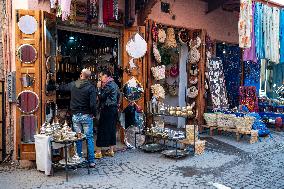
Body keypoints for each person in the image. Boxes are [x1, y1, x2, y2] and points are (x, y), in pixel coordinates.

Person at [59, 68, 96, 167]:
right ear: (89, 77)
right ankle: (91, 161)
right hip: (86, 115)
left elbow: (62, 88)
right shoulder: (91, 87)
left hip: (75, 115)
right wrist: (93, 113)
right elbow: (93, 104)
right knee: (89, 138)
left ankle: (78, 158)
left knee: (78, 137)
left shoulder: (73, 84)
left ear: (81, 75)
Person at [95, 69, 120, 158]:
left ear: (106, 76)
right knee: (112, 129)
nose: (100, 79)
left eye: (101, 76)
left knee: (102, 129)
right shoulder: (115, 84)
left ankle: (98, 152)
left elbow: (101, 97)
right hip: (113, 110)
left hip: (107, 109)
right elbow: (118, 97)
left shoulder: (108, 85)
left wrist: (98, 88)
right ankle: (111, 150)